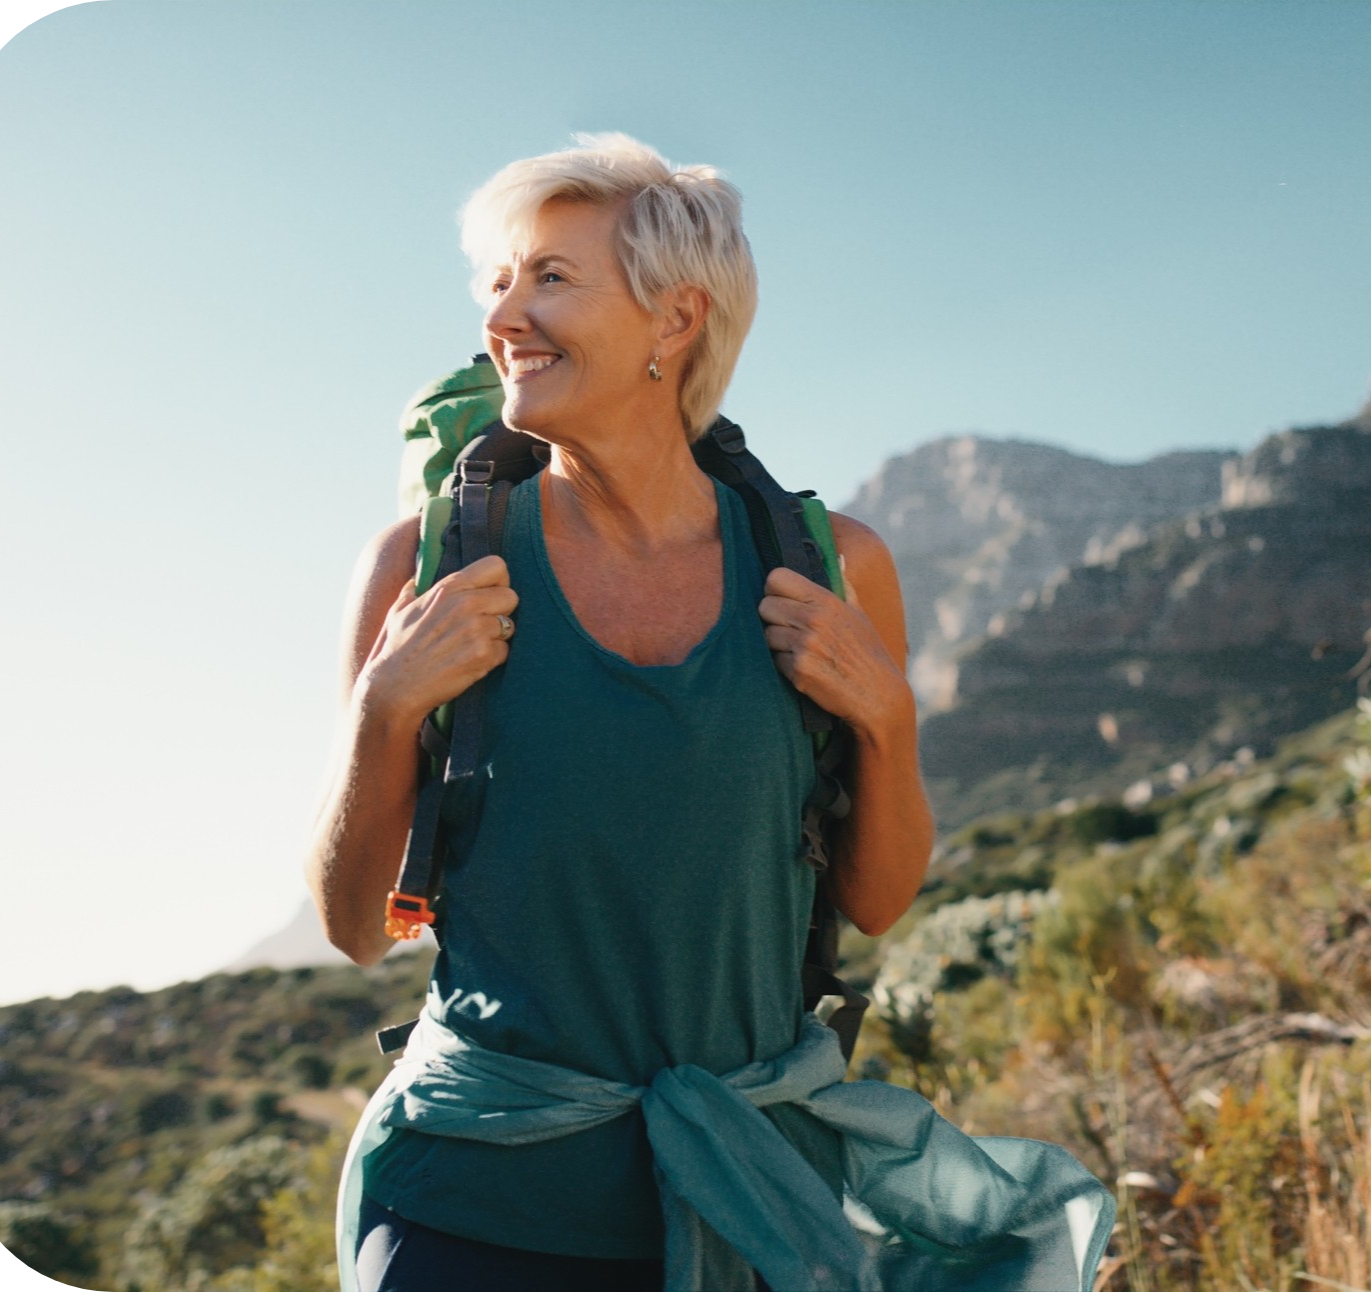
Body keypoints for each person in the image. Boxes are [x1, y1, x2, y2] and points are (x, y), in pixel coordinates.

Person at [307, 132, 1112, 1292]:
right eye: (499, 281)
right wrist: (383, 708)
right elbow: (349, 922)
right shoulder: (419, 567)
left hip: (750, 1201)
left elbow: (875, 898)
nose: (504, 317)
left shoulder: (832, 567)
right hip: (473, 1198)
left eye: (550, 278)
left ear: (675, 318)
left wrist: (887, 722)